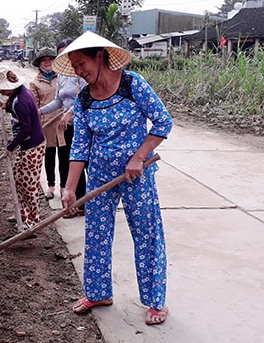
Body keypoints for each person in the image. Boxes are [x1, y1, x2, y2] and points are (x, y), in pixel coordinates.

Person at [53, 31, 173, 326]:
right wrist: (69, 188)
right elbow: (80, 146)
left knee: (147, 235)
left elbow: (163, 121)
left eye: (82, 64)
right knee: (96, 234)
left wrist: (138, 157)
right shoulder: (83, 99)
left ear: (100, 56)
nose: (80, 72)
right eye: (75, 67)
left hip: (137, 175)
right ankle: (98, 293)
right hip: (100, 176)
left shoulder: (133, 85)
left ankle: (156, 301)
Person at [0, 64, 46, 229]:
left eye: (3, 89)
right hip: (27, 145)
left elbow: (26, 129)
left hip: (32, 146)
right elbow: (13, 104)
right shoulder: (18, 94)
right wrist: (5, 105)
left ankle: (34, 222)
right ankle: (22, 213)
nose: (1, 91)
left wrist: (11, 146)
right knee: (19, 180)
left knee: (29, 184)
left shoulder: (21, 101)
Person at [38, 39, 88, 218]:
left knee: (87, 164)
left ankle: (90, 202)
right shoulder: (62, 75)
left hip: (84, 126)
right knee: (71, 164)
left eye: (68, 52)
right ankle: (78, 203)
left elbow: (86, 97)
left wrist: (69, 113)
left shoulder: (81, 73)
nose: (65, 57)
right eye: (61, 54)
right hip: (68, 127)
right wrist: (40, 111)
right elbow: (59, 101)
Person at [29, 47, 65, 200]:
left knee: (65, 157)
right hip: (46, 124)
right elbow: (35, 106)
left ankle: (64, 187)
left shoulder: (63, 77)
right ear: (40, 64)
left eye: (50, 60)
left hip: (63, 122)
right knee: (49, 157)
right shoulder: (35, 82)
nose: (48, 63)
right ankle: (51, 187)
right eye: (44, 61)